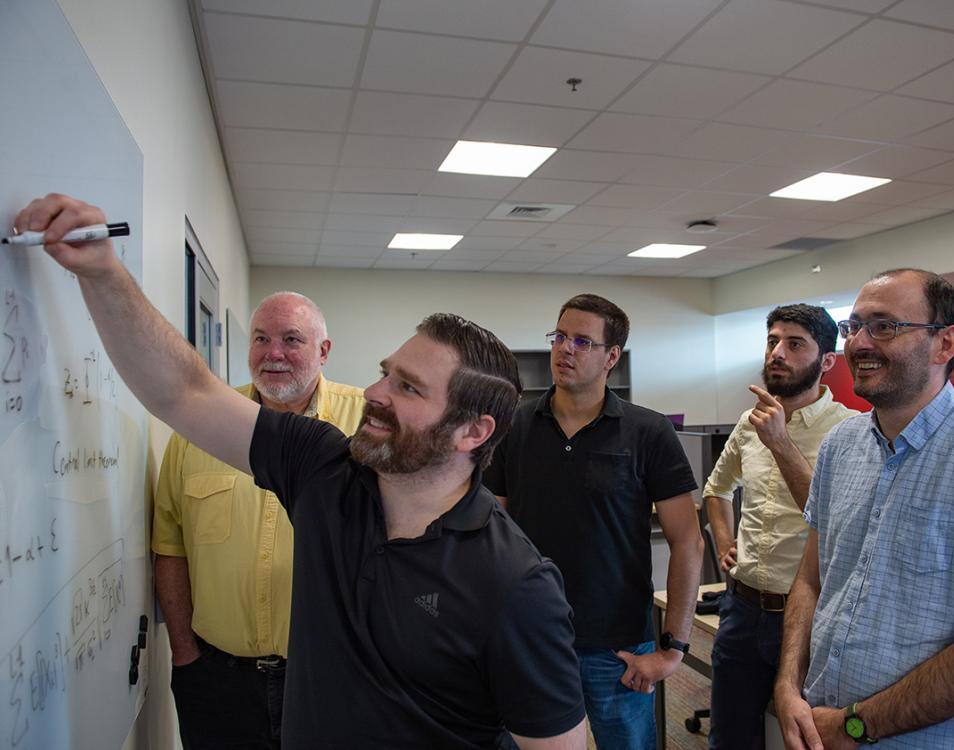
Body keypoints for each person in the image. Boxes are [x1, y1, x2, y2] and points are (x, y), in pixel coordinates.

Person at [17, 194, 586, 749]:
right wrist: (102, 273)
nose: (374, 394)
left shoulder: (516, 583)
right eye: (387, 373)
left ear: (474, 432)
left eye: (408, 388)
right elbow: (182, 391)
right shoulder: (324, 470)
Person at [774, 269, 954, 749]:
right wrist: (788, 685)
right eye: (853, 326)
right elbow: (812, 580)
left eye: (884, 326)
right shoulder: (841, 445)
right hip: (818, 727)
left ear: (945, 344)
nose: (859, 343)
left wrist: (857, 725)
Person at [483, 294, 703, 750]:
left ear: (611, 357)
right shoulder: (515, 428)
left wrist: (673, 650)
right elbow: (490, 528)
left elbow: (688, 542)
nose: (565, 349)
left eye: (583, 341)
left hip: (617, 649)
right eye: (560, 336)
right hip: (531, 640)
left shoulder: (648, 431)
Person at [152, 292, 365, 749]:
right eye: (261, 339)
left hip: (332, 681)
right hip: (216, 681)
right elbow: (169, 545)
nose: (274, 353)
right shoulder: (200, 424)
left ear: (323, 352)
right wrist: (185, 653)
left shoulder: (368, 423)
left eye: (292, 339)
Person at [703, 304, 857, 749]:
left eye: (794, 344)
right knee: (730, 736)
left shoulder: (849, 431)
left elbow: (836, 520)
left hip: (808, 615)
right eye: (772, 341)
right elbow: (716, 489)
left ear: (827, 361)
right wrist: (725, 541)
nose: (777, 353)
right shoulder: (748, 425)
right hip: (742, 609)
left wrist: (781, 442)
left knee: (807, 738)